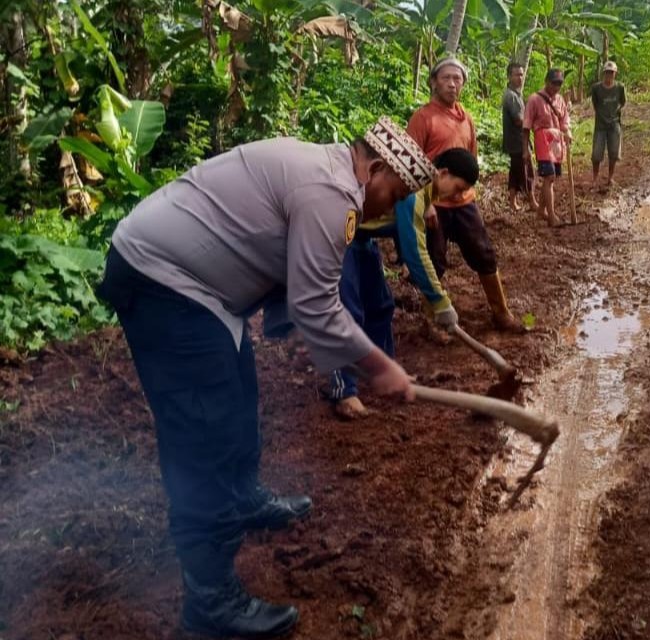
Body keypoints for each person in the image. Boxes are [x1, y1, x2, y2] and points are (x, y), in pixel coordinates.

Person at [95, 117, 435, 639]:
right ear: (377, 167)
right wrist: (378, 366)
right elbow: (317, 304)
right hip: (164, 280)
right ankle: (209, 603)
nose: (392, 206)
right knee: (205, 434)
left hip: (200, 290)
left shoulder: (327, 169)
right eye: (396, 193)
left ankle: (241, 495)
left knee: (237, 393)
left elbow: (300, 284)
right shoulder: (333, 193)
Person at [326, 147, 479, 420]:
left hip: (363, 238)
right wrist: (439, 300)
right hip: (341, 235)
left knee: (381, 307)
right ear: (442, 173)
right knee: (348, 312)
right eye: (457, 187)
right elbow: (414, 252)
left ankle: (384, 373)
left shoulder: (425, 197)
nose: (457, 196)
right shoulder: (416, 194)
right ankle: (344, 391)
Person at [407, 57, 525, 333]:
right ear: (434, 82)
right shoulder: (423, 118)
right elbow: (410, 163)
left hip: (464, 202)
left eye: (457, 79)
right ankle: (432, 321)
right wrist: (425, 206)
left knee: (484, 254)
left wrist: (469, 191)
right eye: (446, 78)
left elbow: (471, 160)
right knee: (433, 263)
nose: (451, 84)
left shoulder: (466, 118)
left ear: (462, 84)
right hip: (433, 203)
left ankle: (501, 312)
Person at [523, 68, 572, 227]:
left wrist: (567, 132)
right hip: (542, 141)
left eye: (559, 84)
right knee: (549, 177)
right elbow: (526, 126)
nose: (556, 87)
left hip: (557, 143)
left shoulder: (560, 101)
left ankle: (540, 212)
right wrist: (525, 149)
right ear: (546, 82)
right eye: (553, 83)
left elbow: (565, 121)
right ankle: (551, 216)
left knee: (550, 179)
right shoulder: (534, 100)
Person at [501, 62, 537, 212]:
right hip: (518, 141)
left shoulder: (515, 94)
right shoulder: (511, 96)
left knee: (515, 172)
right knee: (527, 171)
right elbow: (519, 120)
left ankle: (512, 202)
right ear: (509, 76)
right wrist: (534, 123)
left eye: (522, 74)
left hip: (515, 141)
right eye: (516, 75)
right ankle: (533, 202)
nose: (520, 78)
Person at [591, 60, 626, 190]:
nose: (609, 76)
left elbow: (622, 102)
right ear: (603, 74)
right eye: (606, 73)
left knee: (614, 153)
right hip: (600, 125)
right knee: (596, 154)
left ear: (615, 74)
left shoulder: (620, 88)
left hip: (614, 123)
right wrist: (602, 115)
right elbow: (595, 104)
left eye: (611, 73)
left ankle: (610, 178)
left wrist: (614, 112)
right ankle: (594, 179)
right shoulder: (596, 89)